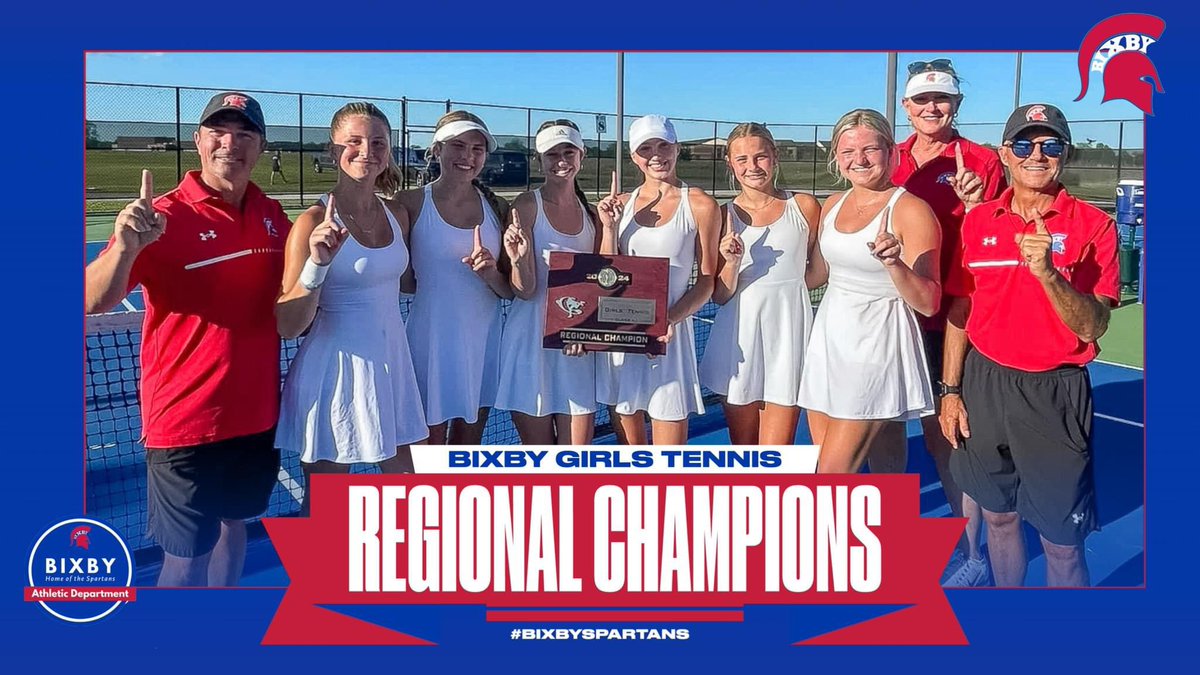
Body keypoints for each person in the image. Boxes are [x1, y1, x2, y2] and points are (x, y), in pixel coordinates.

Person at [84, 92, 288, 586]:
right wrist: (125, 251)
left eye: (244, 134)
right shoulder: (161, 217)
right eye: (218, 132)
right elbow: (93, 300)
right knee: (185, 558)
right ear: (197, 141)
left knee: (233, 526)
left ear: (259, 146)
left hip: (257, 417)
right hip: (185, 422)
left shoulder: (273, 216)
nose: (230, 144)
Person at [940, 103, 1118, 587]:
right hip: (984, 383)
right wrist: (950, 391)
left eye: (1050, 145)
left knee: (1061, 546)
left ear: (1066, 154)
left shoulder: (1094, 226)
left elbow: (1093, 325)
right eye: (1024, 144)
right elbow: (961, 310)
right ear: (1005, 154)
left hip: (1055, 393)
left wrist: (1048, 274)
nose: (1036, 154)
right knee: (998, 519)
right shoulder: (978, 223)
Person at [274, 102, 425, 516]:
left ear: (390, 150)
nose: (366, 151)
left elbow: (410, 280)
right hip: (332, 377)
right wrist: (317, 264)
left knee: (413, 499)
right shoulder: (309, 222)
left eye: (378, 142)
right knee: (326, 510)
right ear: (332, 150)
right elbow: (288, 324)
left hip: (394, 371)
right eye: (353, 142)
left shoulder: (398, 215)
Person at [892, 59, 1008, 586]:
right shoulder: (884, 158)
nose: (932, 108)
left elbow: (1002, 233)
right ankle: (890, 540)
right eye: (922, 100)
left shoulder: (982, 161)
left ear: (956, 104)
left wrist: (981, 205)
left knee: (949, 436)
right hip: (893, 317)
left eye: (942, 99)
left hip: (952, 316)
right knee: (884, 429)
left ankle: (974, 555)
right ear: (906, 106)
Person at [797, 108, 941, 473]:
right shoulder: (832, 205)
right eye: (847, 152)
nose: (858, 160)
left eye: (870, 150)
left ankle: (826, 531)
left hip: (877, 346)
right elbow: (814, 276)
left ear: (891, 152)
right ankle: (890, 527)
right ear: (836, 157)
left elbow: (928, 301)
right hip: (828, 345)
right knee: (886, 461)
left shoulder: (911, 210)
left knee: (830, 474)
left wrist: (895, 264)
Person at [595, 114, 721, 445]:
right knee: (630, 452)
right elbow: (606, 273)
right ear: (634, 156)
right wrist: (608, 228)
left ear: (676, 148)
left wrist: (668, 319)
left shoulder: (701, 205)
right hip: (622, 336)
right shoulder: (620, 205)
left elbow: (707, 280)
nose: (656, 154)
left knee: (669, 460)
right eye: (645, 148)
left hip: (670, 337)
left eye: (663, 145)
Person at [698, 123, 822, 445]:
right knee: (744, 449)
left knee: (778, 451)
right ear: (730, 164)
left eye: (760, 157)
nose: (752, 167)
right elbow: (721, 295)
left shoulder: (805, 206)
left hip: (789, 339)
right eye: (742, 160)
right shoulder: (722, 216)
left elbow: (818, 272)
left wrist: (786, 294)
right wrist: (734, 262)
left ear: (775, 157)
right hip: (738, 339)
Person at [396, 111, 512, 445]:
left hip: (484, 346)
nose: (467, 156)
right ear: (436, 150)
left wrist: (490, 273)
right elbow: (405, 283)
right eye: (458, 145)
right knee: (428, 456)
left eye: (477, 149)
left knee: (465, 453)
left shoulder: (499, 209)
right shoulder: (409, 203)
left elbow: (508, 290)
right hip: (428, 345)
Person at [494, 119, 599, 444]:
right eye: (552, 154)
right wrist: (519, 258)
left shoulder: (593, 216)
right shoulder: (525, 206)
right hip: (529, 348)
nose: (561, 161)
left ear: (581, 155)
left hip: (576, 351)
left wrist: (588, 333)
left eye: (568, 151)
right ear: (540, 159)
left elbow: (599, 286)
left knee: (576, 462)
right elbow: (524, 291)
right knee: (540, 463)